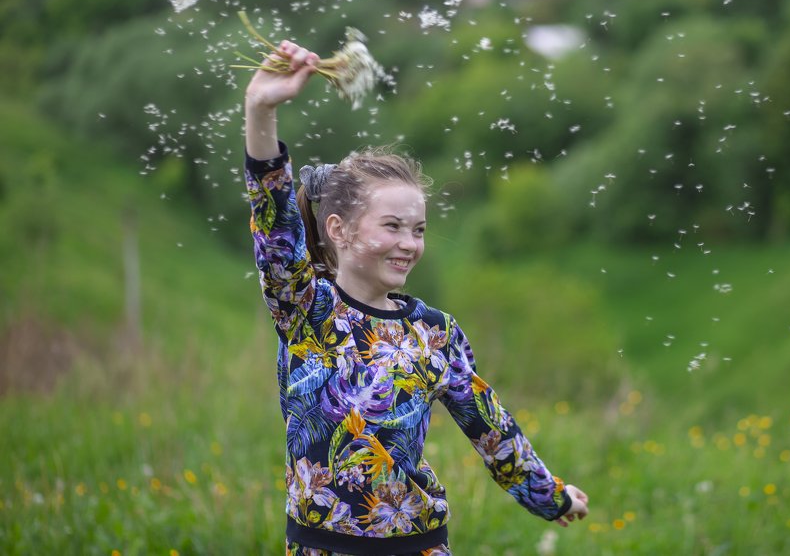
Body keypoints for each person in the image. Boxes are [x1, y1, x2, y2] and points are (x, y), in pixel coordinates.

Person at [243, 38, 589, 556]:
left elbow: (491, 428)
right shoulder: (306, 310)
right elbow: (275, 220)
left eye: (419, 229)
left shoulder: (436, 333)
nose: (409, 244)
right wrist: (261, 108)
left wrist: (550, 496)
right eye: (392, 226)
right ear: (339, 229)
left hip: (420, 544)